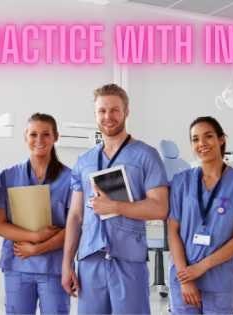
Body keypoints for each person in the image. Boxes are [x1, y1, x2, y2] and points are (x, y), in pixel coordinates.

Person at [61, 83, 169, 314]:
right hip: (90, 260)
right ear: (95, 114)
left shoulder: (146, 156)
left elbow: (160, 208)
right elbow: (76, 216)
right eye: (102, 111)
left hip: (128, 258)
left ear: (126, 112)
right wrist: (66, 263)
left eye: (114, 110)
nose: (108, 117)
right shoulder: (84, 161)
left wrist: (115, 206)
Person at [167, 116, 233, 315]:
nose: (202, 143)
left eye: (208, 136)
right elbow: (173, 232)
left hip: (220, 280)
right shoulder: (181, 182)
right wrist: (186, 278)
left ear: (222, 139)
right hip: (184, 277)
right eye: (195, 139)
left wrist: (201, 267)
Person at [0, 113, 72, 314]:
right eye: (33, 134)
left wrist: (38, 248)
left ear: (56, 137)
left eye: (46, 134)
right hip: (18, 265)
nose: (39, 140)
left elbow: (73, 227)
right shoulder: (8, 176)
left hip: (54, 267)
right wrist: (35, 237)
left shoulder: (70, 179)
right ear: (25, 137)